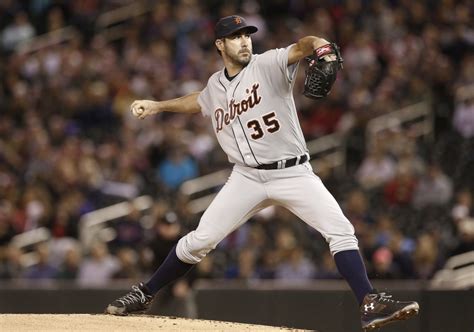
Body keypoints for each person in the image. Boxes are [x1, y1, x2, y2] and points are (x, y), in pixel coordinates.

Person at [105, 15, 419, 331]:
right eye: (235, 36)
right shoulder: (215, 85)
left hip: (293, 172)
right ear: (220, 44)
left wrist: (321, 45)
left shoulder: (268, 64)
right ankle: (145, 293)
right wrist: (158, 106)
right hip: (246, 177)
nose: (244, 41)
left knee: (340, 230)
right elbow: (198, 102)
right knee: (200, 240)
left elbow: (303, 46)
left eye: (247, 35)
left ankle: (369, 302)